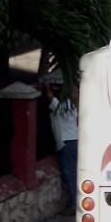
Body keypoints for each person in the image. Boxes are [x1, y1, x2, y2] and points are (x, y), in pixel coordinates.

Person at [44, 73, 79, 212]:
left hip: (66, 142)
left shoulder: (63, 106)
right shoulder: (73, 105)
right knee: (74, 173)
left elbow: (51, 99)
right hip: (74, 140)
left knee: (69, 174)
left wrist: (47, 88)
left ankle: (74, 205)